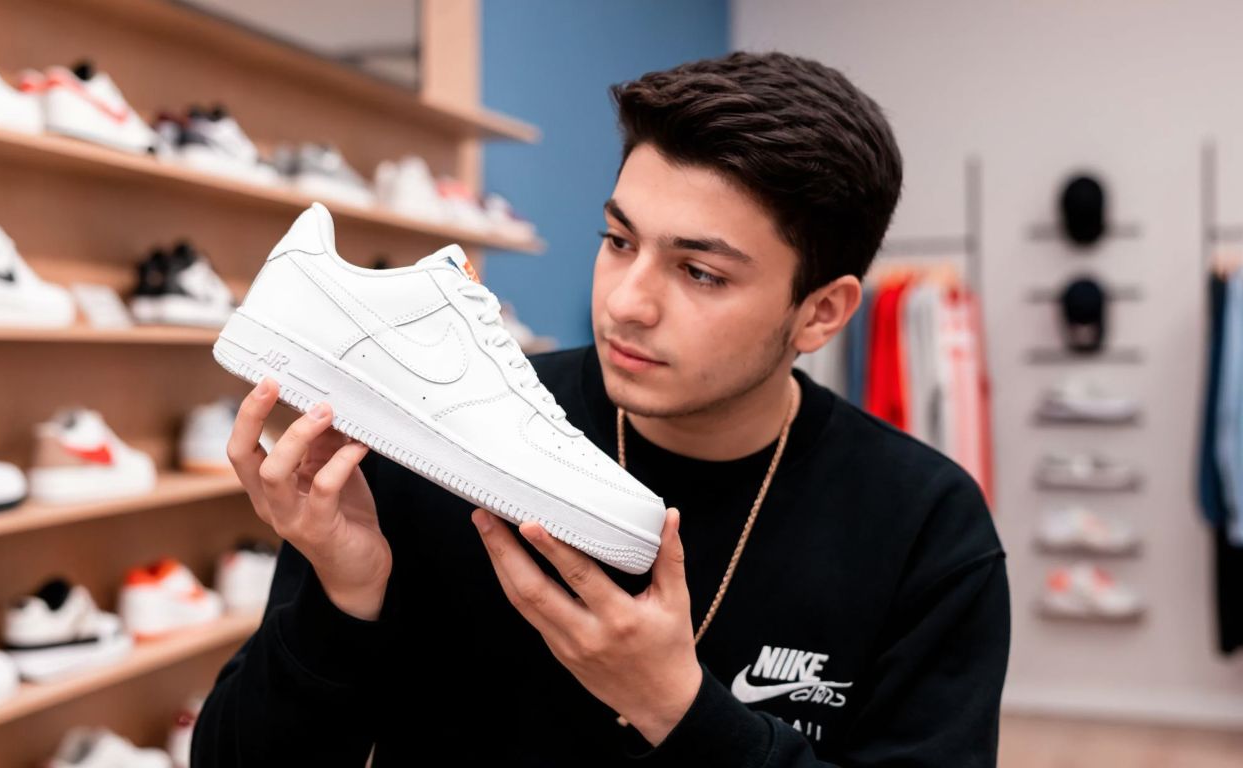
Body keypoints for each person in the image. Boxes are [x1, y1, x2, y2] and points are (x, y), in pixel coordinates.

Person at [193, 50, 1009, 767]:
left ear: (822, 312)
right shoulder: (430, 436)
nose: (626, 302)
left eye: (700, 273)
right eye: (618, 240)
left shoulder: (926, 528)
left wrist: (680, 710)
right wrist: (342, 601)